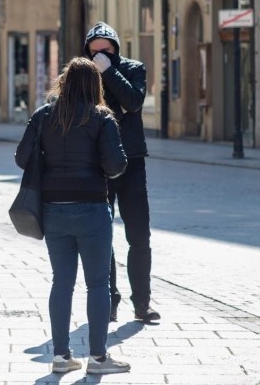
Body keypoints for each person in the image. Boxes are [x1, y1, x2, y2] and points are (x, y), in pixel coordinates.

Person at [15, 57, 130, 375]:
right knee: (98, 285)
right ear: (95, 86)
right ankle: (98, 359)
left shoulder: (43, 115)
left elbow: (22, 158)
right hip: (92, 209)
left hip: (53, 210)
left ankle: (61, 356)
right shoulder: (102, 118)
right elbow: (116, 166)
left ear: (64, 82)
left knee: (61, 283)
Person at [83, 21, 160, 323]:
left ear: (115, 48)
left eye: (106, 49)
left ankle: (142, 302)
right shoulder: (83, 72)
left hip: (131, 161)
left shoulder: (132, 68)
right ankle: (109, 299)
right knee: (103, 235)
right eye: (95, 51)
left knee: (139, 235)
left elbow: (134, 101)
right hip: (97, 163)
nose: (101, 54)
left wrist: (109, 71)